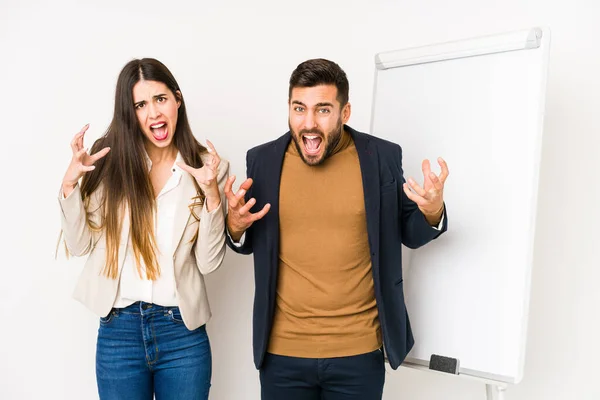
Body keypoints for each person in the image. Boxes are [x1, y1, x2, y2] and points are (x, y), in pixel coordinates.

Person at [224, 58, 449, 399]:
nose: (309, 123)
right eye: (299, 109)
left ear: (345, 113)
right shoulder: (263, 160)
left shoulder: (381, 157)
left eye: (323, 110)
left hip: (358, 354)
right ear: (288, 108)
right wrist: (235, 226)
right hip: (283, 354)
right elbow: (250, 238)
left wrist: (432, 212)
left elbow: (410, 233)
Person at [58, 58, 228, 400]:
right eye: (140, 104)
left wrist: (212, 196)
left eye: (160, 99)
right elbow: (79, 245)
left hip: (182, 333)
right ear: (130, 113)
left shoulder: (208, 167)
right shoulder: (106, 162)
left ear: (177, 100)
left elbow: (209, 263)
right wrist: (70, 184)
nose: (153, 113)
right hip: (119, 333)